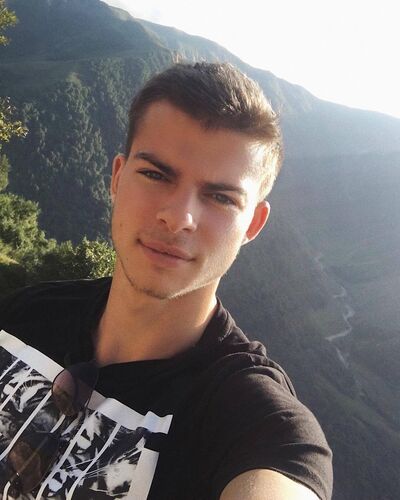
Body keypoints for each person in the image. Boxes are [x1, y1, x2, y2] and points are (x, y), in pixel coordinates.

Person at [0, 62, 332, 499]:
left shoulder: (253, 421)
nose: (178, 218)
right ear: (117, 178)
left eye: (220, 197)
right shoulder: (25, 314)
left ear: (253, 224)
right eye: (156, 175)